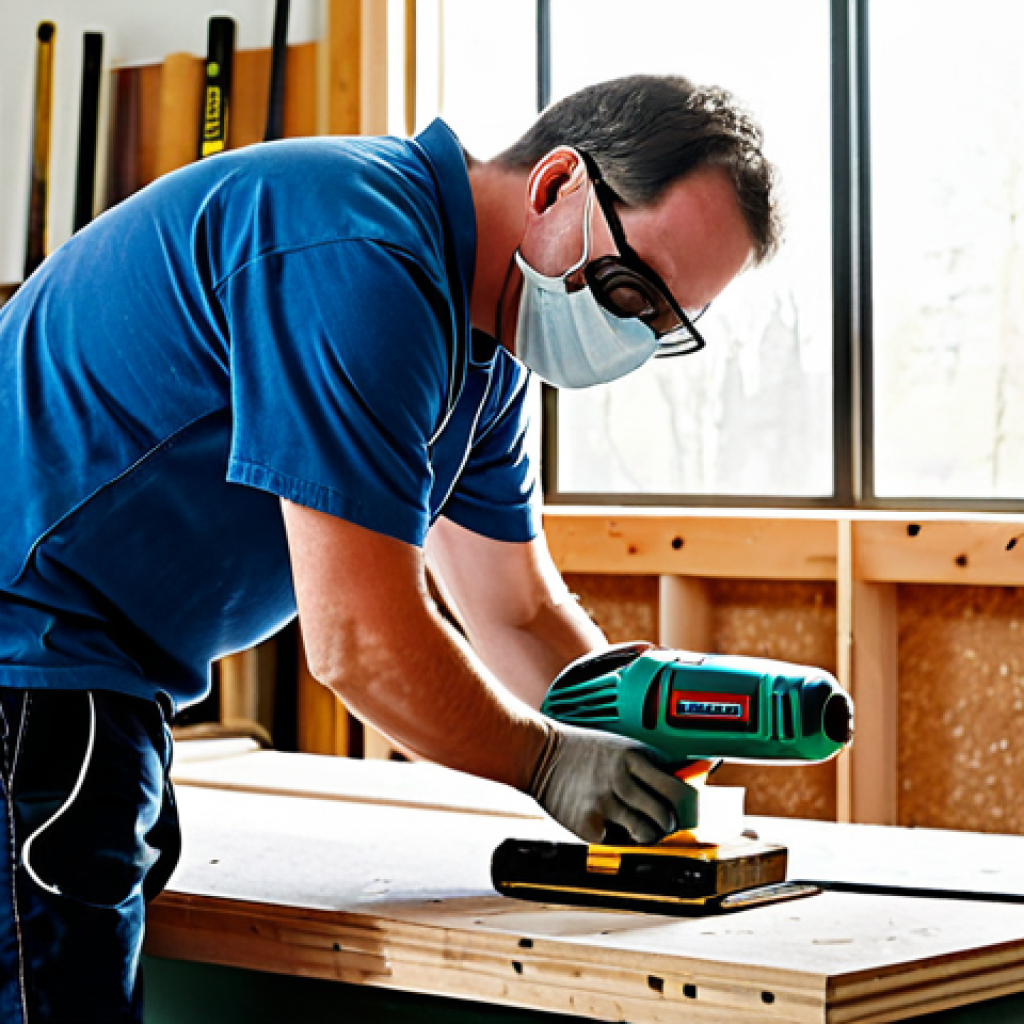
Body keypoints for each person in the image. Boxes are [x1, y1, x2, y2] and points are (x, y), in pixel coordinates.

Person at [0, 73, 780, 1022]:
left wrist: (631, 725)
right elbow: (360, 640)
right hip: (29, 664)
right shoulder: (362, 254)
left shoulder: (481, 355)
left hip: (90, 677)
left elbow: (516, 609)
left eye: (662, 326)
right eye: (628, 289)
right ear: (556, 186)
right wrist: (548, 763)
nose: (629, 332)